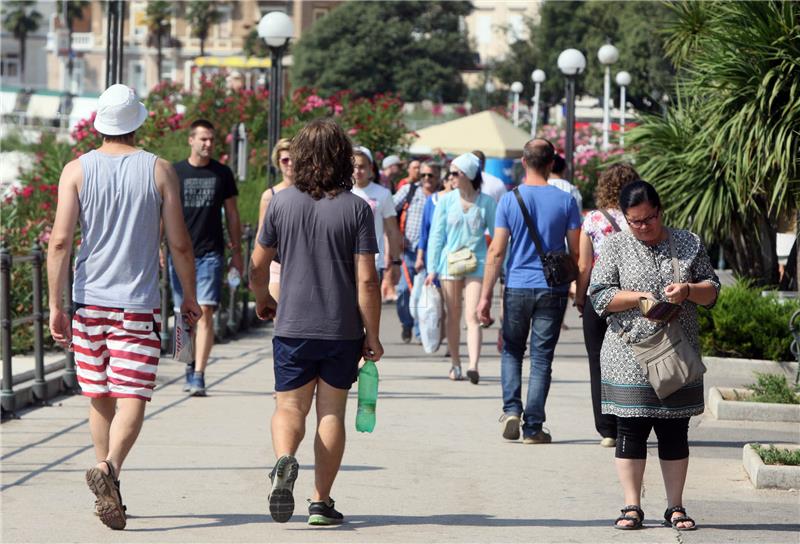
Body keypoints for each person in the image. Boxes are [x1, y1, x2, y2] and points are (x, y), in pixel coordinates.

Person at [46, 84, 201, 530]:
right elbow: (179, 243)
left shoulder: (76, 170)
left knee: (98, 396)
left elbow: (59, 242)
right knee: (132, 394)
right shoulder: (159, 170)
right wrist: (188, 296)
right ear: (137, 122)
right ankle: (110, 469)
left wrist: (57, 306)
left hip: (89, 301)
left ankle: (106, 477)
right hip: (136, 303)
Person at [250, 118, 384, 526]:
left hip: (292, 324)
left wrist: (263, 299)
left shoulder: (281, 203)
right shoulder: (357, 208)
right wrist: (373, 334)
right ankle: (320, 502)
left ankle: (284, 460)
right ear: (343, 158)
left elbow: (256, 266)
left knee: (289, 406)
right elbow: (367, 279)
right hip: (341, 329)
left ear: (301, 158)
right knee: (331, 412)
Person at [589, 180, 719, 531]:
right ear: (625, 218)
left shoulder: (688, 242)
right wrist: (638, 298)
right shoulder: (616, 245)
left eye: (648, 219)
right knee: (630, 428)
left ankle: (675, 506)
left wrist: (688, 290)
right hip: (628, 354)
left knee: (674, 430)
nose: (642, 227)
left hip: (677, 353)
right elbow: (599, 296)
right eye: (635, 221)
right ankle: (631, 506)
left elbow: (712, 291)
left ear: (660, 211)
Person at [476, 139, 581, 444]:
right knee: (541, 357)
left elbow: (496, 251)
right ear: (552, 164)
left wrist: (485, 297)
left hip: (517, 285)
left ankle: (511, 410)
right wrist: (580, 290)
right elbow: (575, 252)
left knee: (511, 350)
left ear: (523, 162)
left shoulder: (509, 200)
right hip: (553, 288)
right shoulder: (566, 201)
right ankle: (533, 427)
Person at [169, 119, 243, 397]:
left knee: (206, 312)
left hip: (210, 254)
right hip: (179, 254)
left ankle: (199, 374)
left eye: (211, 139)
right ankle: (187, 363)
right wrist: (157, 248)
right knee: (182, 316)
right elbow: (164, 212)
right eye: (203, 139)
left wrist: (237, 252)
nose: (208, 144)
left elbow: (233, 215)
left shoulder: (222, 174)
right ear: (191, 140)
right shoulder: (175, 172)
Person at [574, 163, 639, 447]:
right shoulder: (635, 219)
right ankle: (630, 420)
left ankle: (607, 430)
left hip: (598, 298)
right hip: (630, 297)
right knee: (632, 358)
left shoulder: (592, 220)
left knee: (596, 360)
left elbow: (583, 264)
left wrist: (579, 297)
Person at [426, 153, 496, 383]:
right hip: (449, 264)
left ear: (468, 175)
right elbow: (436, 235)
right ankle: (455, 363)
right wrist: (432, 268)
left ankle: (473, 365)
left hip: (477, 263)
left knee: (473, 315)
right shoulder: (446, 201)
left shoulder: (486, 202)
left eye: (455, 173)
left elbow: (498, 237)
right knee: (453, 315)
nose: (450, 177)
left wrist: (499, 267)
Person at [392, 161, 438, 343]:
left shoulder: (441, 195)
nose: (426, 178)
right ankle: (406, 323)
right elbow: (389, 209)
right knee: (404, 290)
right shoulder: (410, 190)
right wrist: (394, 234)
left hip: (430, 253)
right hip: (408, 250)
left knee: (422, 294)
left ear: (437, 177)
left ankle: (420, 332)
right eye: (424, 175)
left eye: (430, 175)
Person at [352, 146, 403, 297]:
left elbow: (392, 230)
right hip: (346, 260)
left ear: (370, 169)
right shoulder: (342, 193)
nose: (357, 171)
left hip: (373, 261)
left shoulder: (383, 193)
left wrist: (396, 262)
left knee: (368, 309)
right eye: (353, 167)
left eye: (362, 166)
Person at [258, 138, 293, 305]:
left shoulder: (311, 193)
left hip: (302, 263)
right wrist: (257, 270)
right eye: (285, 159)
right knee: (278, 319)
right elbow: (261, 235)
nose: (290, 163)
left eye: (294, 158)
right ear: (278, 163)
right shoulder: (270, 196)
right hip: (276, 263)